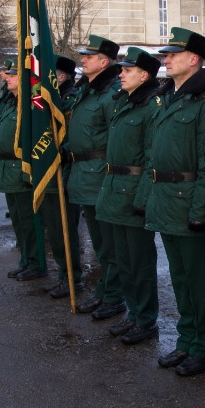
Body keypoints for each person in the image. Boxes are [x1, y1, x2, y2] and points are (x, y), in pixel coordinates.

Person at [149, 28, 205, 375]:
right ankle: (186, 340)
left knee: (198, 280)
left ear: (193, 59)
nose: (166, 59)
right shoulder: (169, 96)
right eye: (166, 54)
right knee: (179, 277)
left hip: (189, 200)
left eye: (172, 54)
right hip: (166, 199)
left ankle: (204, 347)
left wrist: (200, 210)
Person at [96, 48, 163, 344]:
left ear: (144, 75)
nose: (120, 74)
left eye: (127, 70)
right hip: (114, 190)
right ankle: (134, 313)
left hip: (133, 193)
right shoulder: (123, 102)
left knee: (140, 262)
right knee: (123, 259)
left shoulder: (151, 106)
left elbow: (152, 157)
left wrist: (143, 198)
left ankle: (146, 319)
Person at [68, 35, 125, 319]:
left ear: (104, 62)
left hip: (100, 175)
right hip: (83, 174)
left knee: (108, 243)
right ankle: (105, 290)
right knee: (100, 243)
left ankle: (113, 295)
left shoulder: (111, 92)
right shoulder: (87, 90)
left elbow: (116, 140)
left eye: (89, 57)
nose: (83, 60)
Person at [0, 58, 45, 280]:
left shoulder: (32, 104)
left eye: (13, 76)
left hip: (22, 167)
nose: (8, 78)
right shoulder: (11, 103)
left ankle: (36, 262)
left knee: (29, 220)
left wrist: (29, 169)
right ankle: (25, 259)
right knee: (17, 219)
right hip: (8, 168)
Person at [44, 56, 85, 299]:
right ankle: (62, 273)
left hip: (64, 169)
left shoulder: (69, 100)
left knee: (65, 228)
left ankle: (72, 277)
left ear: (60, 77)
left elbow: (71, 136)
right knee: (54, 228)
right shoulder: (51, 98)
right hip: (50, 170)